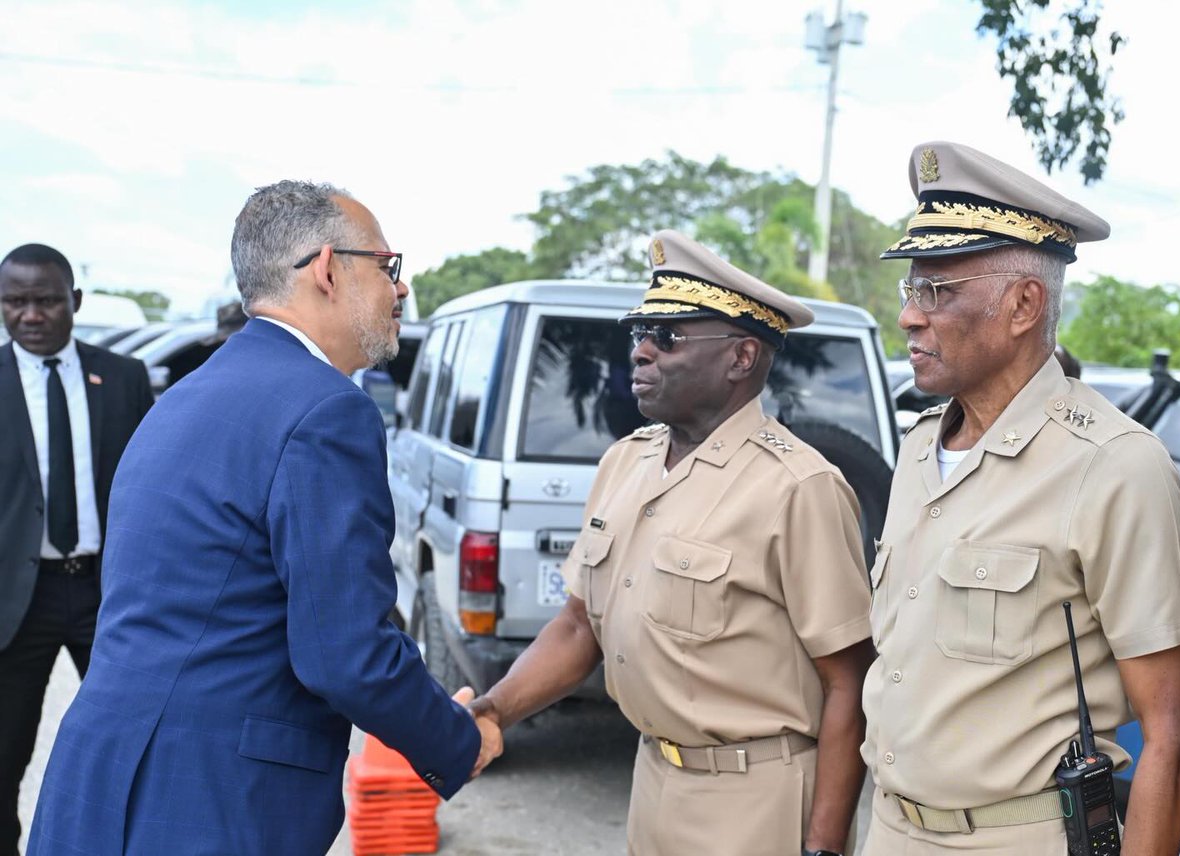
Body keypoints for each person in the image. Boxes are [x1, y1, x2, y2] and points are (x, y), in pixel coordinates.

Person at [28, 182, 501, 856]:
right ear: (327, 269)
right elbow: (345, 653)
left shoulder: (185, 396)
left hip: (100, 784)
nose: (400, 288)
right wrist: (459, 738)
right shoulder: (326, 410)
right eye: (387, 265)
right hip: (209, 802)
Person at [469, 229, 875, 856]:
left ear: (741, 358)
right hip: (654, 781)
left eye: (668, 335)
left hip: (755, 801)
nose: (641, 352)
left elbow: (847, 682)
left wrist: (822, 848)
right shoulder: (625, 462)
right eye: (640, 332)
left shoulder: (798, 488)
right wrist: (493, 711)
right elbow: (578, 626)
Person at [863, 141, 1180, 854]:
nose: (910, 318)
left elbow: (1176, 736)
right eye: (910, 290)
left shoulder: (1112, 465)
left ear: (1023, 304)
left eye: (938, 292)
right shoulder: (920, 448)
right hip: (890, 828)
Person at [0, 244, 154, 855]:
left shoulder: (124, 378)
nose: (30, 315)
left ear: (76, 302)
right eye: (14, 302)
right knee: (4, 759)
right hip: (16, 602)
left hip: (108, 594)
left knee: (137, 748)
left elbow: (152, 486)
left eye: (45, 301)